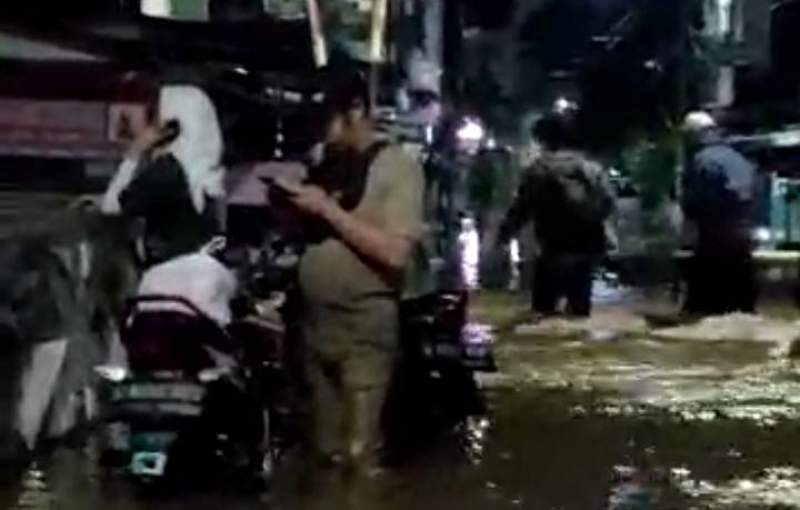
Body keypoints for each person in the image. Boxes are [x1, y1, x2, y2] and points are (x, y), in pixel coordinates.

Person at [272, 71, 424, 472]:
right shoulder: (330, 164)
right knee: (324, 451)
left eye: (326, 121)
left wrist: (326, 209)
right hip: (314, 324)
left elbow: (394, 253)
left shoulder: (398, 168)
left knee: (360, 452)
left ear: (356, 111)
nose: (321, 134)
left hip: (364, 326)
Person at [498, 114, 614, 317]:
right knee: (580, 314)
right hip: (585, 253)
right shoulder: (591, 169)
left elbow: (521, 208)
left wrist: (504, 235)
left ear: (544, 139)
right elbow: (608, 204)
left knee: (542, 314)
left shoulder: (537, 170)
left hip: (552, 251)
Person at [101, 85, 225, 266]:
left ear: (169, 127)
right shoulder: (207, 175)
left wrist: (135, 152)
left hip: (166, 277)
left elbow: (110, 207)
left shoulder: (167, 173)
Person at [681, 111, 757, 315]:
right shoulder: (738, 158)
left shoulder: (700, 161)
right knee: (742, 305)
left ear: (695, 135)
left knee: (702, 306)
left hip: (715, 240)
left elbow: (693, 204)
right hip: (744, 237)